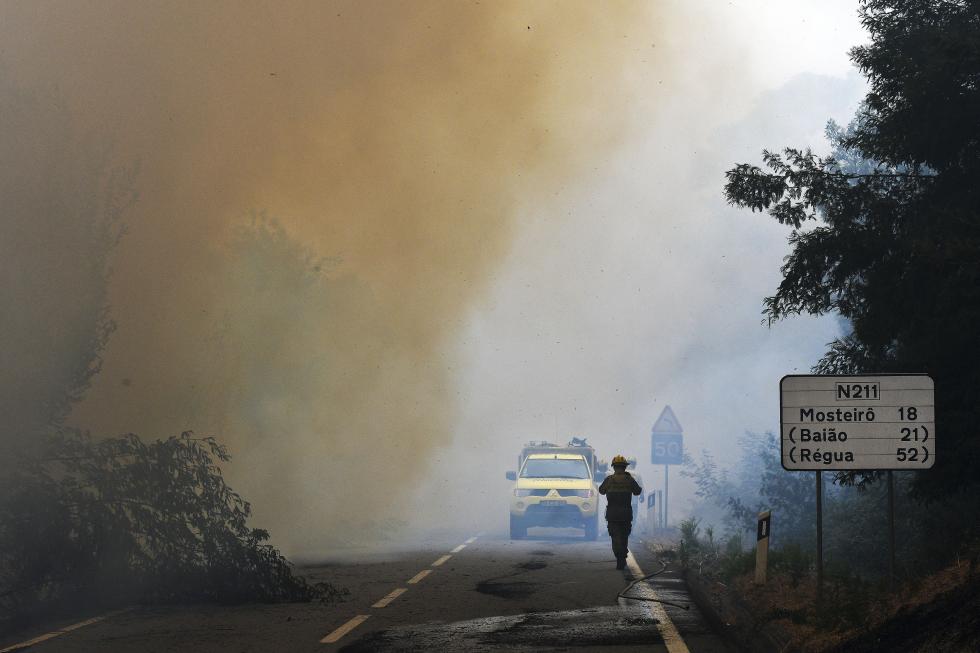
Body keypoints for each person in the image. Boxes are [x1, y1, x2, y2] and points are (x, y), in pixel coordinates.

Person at [598, 454, 642, 570]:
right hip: (626, 514)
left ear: (613, 467)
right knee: (624, 535)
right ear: (625, 467)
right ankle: (622, 554)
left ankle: (619, 556)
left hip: (612, 514)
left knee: (615, 536)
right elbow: (637, 491)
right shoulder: (629, 479)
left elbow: (601, 491)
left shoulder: (609, 480)